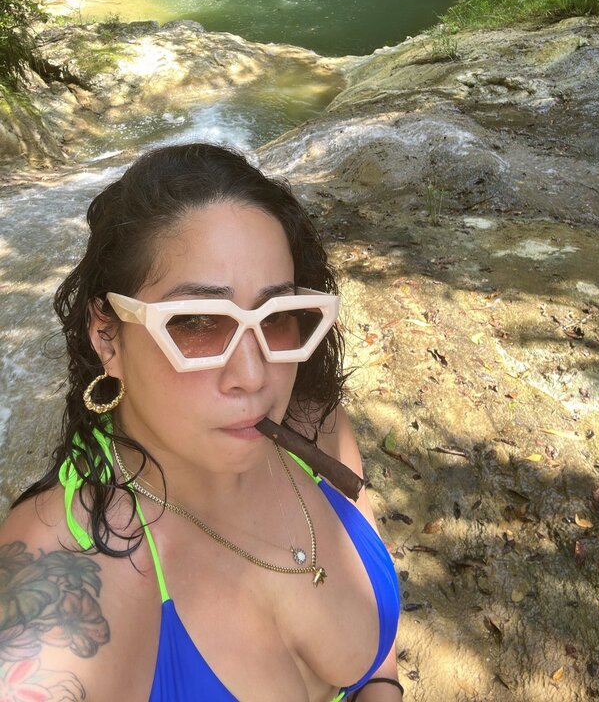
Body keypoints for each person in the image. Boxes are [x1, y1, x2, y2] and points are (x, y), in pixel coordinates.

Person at [0, 142, 402, 702]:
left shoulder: (315, 424)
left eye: (278, 317)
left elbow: (377, 659)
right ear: (107, 335)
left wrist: (382, 686)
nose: (254, 375)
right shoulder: (63, 576)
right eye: (196, 322)